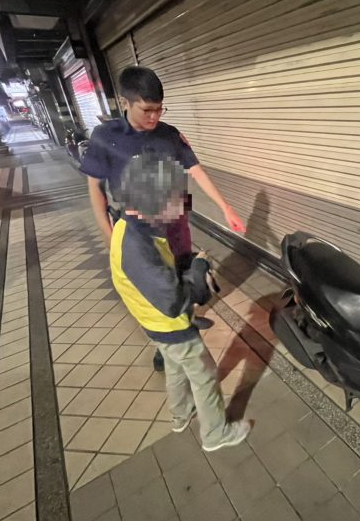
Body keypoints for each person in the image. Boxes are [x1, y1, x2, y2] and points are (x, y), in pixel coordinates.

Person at [80, 66, 245, 371]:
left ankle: (185, 323)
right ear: (125, 102)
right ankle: (163, 344)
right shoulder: (105, 137)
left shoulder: (169, 134)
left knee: (182, 276)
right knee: (153, 288)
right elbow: (95, 189)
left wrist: (225, 207)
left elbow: (195, 170)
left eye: (159, 109)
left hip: (175, 223)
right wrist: (109, 236)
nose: (154, 117)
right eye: (147, 110)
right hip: (138, 231)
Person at [109, 154, 251, 450]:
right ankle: (215, 434)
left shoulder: (129, 227)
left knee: (175, 368)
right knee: (204, 375)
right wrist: (198, 274)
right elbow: (173, 300)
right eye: (173, 200)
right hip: (170, 324)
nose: (180, 207)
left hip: (152, 322)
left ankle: (181, 414)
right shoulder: (137, 248)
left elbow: (159, 277)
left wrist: (185, 265)